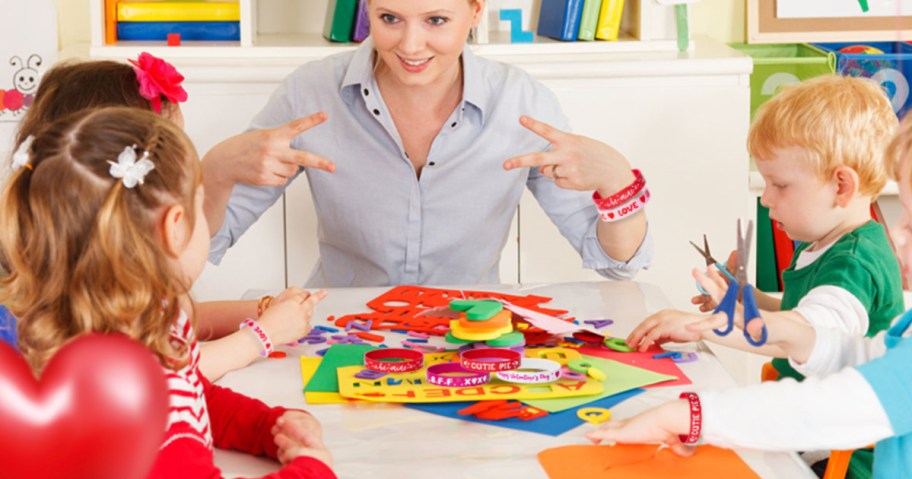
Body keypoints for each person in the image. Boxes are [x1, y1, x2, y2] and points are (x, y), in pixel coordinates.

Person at [203, 0, 652, 288]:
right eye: (389, 19)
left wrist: (617, 184)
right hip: (340, 331)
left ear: (475, 12)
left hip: (474, 338)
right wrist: (214, 172)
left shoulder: (521, 101)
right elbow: (204, 245)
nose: (410, 45)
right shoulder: (310, 91)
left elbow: (617, 264)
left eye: (436, 20)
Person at [0, 106, 336, 478]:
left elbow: (192, 393)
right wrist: (313, 469)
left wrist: (265, 426)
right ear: (174, 226)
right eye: (199, 204)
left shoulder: (133, 320)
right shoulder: (134, 393)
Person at [586, 111, 912, 479]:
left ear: (841, 186)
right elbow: (851, 351)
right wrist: (754, 312)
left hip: (839, 462)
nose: (898, 235)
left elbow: (837, 401)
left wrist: (689, 409)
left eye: (910, 222)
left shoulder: (854, 261)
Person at [10, 54, 320, 381]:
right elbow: (167, 372)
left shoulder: (126, 262)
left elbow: (178, 320)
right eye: (160, 159)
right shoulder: (77, 286)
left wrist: (260, 310)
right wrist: (260, 335)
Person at [626, 75, 903, 384]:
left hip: (844, 426)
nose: (766, 198)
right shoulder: (824, 242)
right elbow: (797, 312)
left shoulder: (853, 265)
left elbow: (801, 335)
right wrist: (745, 299)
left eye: (780, 185)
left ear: (841, 185)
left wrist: (696, 326)